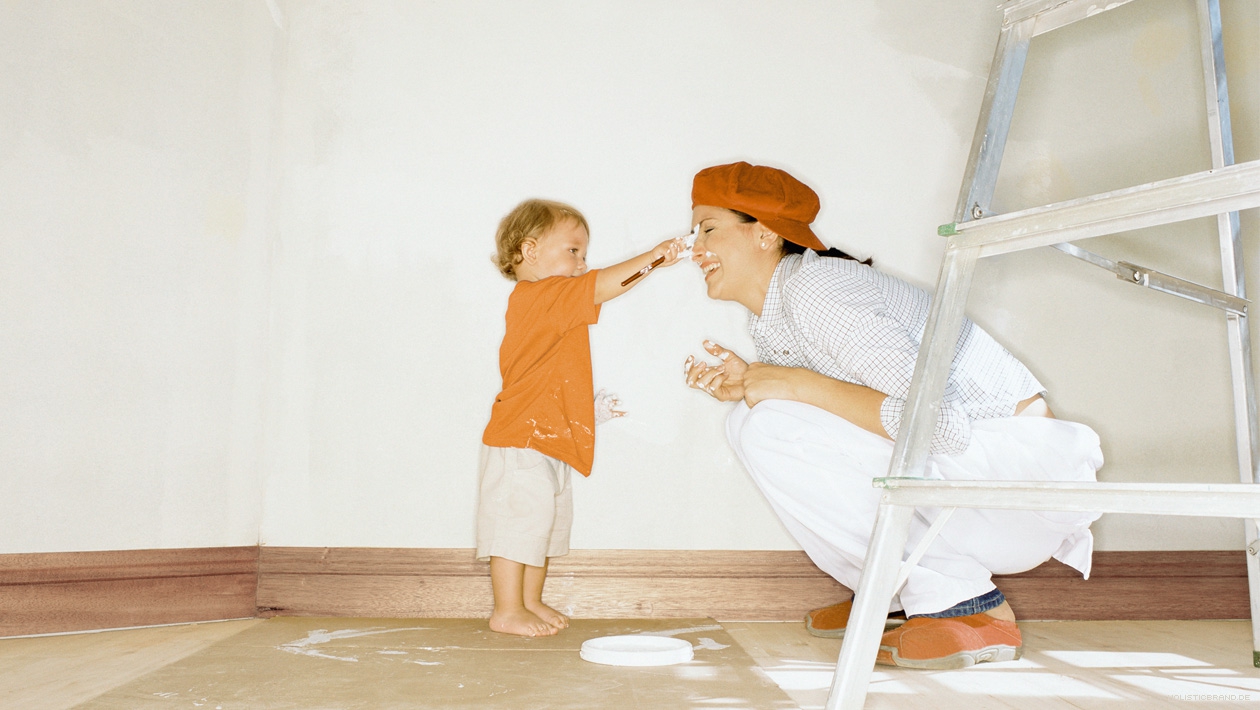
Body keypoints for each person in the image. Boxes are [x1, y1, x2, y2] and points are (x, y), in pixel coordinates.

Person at [682, 162, 1103, 669]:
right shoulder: (781, 308)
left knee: (771, 424)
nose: (693, 248)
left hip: (1016, 489)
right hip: (976, 485)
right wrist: (757, 382)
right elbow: (850, 410)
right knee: (754, 419)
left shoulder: (819, 291)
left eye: (708, 229)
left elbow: (939, 426)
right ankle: (896, 595)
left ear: (766, 233)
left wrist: (789, 383)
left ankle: (967, 607)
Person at [480, 198, 685, 637]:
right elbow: (604, 285)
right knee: (517, 525)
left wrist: (588, 412)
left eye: (584, 253)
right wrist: (655, 257)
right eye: (572, 250)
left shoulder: (556, 307)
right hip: (521, 439)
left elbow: (550, 376)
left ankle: (529, 599)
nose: (582, 262)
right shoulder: (539, 296)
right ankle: (506, 608)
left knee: (543, 527)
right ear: (530, 251)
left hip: (546, 438)